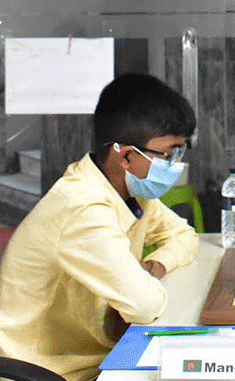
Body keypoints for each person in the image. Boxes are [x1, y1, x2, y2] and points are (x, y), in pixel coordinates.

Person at [0, 73, 199, 381]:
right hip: (47, 370)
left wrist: (156, 265)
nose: (176, 164)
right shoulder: (81, 207)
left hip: (96, 356)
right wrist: (142, 282)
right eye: (169, 153)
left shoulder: (130, 192)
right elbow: (145, 305)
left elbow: (184, 235)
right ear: (127, 157)